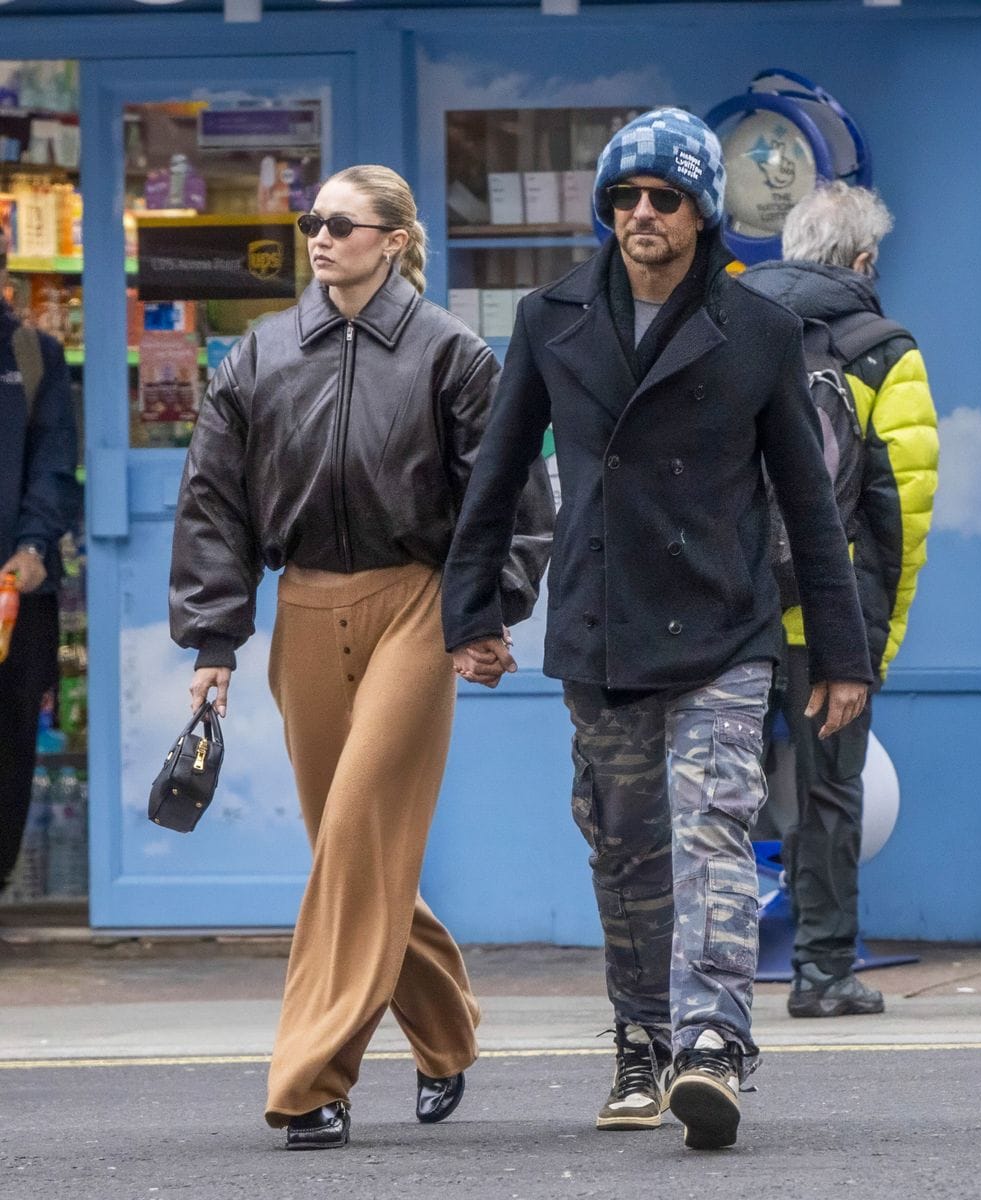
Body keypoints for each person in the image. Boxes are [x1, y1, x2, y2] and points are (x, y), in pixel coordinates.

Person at [441, 109, 872, 1152]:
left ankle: (714, 1043)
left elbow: (808, 501)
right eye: (625, 199)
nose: (642, 214)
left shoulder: (759, 331)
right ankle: (641, 1041)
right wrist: (477, 614)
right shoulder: (550, 319)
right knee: (625, 851)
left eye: (664, 199)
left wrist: (846, 655)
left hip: (724, 624)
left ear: (700, 215)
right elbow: (495, 477)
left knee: (714, 829)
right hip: (599, 628)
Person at [169, 165, 554, 1150]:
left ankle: (310, 1077)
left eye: (342, 223)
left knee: (355, 831)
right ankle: (447, 1030)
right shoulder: (259, 355)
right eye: (312, 222)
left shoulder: (452, 356)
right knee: (354, 846)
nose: (320, 237)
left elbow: (509, 495)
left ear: (393, 238)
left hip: (414, 608)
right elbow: (214, 500)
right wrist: (215, 639)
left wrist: (486, 612)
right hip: (304, 606)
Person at [743, 183, 939, 1018]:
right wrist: (871, 645)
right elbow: (899, 511)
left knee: (708, 788)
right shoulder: (883, 347)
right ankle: (823, 974)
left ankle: (697, 975)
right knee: (828, 794)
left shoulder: (727, 323)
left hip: (727, 610)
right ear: (863, 262)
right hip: (825, 617)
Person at [0, 231, 79, 892]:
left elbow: (55, 467)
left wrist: (31, 545)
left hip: (16, 596)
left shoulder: (33, 356)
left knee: (9, 747)